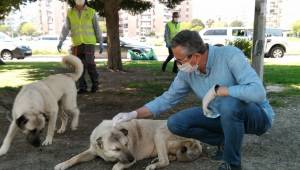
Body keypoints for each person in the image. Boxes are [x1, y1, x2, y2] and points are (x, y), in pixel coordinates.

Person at [112, 30, 275, 170]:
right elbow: (168, 98)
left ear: (196, 56)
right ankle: (226, 140)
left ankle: (232, 164)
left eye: (180, 60)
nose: (178, 65)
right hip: (219, 116)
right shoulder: (187, 72)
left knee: (229, 102)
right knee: (175, 123)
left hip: (258, 116)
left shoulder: (230, 55)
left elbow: (258, 92)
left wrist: (220, 91)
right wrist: (133, 114)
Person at [57, 0, 103, 94]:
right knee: (78, 66)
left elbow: (96, 27)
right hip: (77, 43)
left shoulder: (91, 11)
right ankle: (82, 87)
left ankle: (95, 85)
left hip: (89, 43)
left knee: (90, 64)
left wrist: (101, 41)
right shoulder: (70, 12)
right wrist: (61, 40)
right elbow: (66, 27)